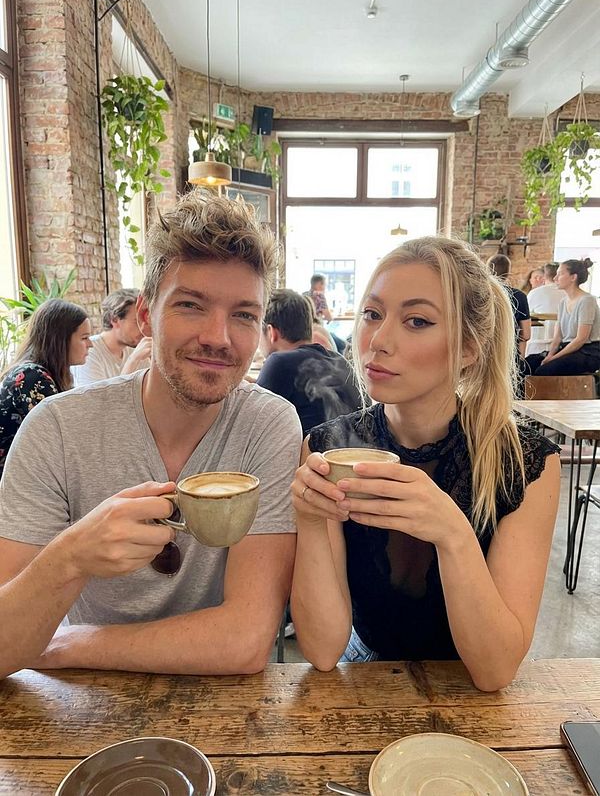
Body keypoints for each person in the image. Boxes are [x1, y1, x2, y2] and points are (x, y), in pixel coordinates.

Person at [0, 190, 302, 679]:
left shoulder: (267, 424)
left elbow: (246, 639)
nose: (218, 337)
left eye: (243, 315)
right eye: (191, 305)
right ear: (145, 316)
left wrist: (68, 643)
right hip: (82, 712)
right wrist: (71, 557)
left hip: (222, 707)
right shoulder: (56, 429)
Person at [290, 236, 560, 692]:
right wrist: (312, 518)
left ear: (470, 348)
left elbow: (494, 671)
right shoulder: (327, 447)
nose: (378, 340)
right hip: (364, 680)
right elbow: (321, 650)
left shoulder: (526, 461)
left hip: (470, 695)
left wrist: (452, 534)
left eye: (417, 321)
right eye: (372, 314)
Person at [0, 298, 91, 478]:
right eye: (84, 338)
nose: (91, 344)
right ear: (60, 340)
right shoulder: (32, 377)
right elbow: (63, 441)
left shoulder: (39, 373)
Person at [258, 288, 362, 435]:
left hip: (312, 456)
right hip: (354, 454)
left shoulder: (278, 363)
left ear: (271, 333)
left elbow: (252, 423)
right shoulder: (340, 361)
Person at [527, 258, 599, 376]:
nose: (555, 278)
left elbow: (581, 339)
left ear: (573, 277)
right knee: (528, 363)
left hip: (588, 352)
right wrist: (550, 355)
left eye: (560, 274)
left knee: (543, 371)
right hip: (568, 349)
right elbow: (558, 336)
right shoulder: (563, 302)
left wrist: (553, 358)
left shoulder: (587, 300)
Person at [72, 288, 151, 385]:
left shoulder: (138, 351)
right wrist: (133, 360)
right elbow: (98, 399)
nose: (143, 328)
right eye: (137, 322)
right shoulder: (88, 352)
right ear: (114, 320)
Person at [526, 263, 565, 355]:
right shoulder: (567, 293)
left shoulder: (534, 293)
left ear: (544, 276)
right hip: (563, 344)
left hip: (537, 344)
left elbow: (526, 316)